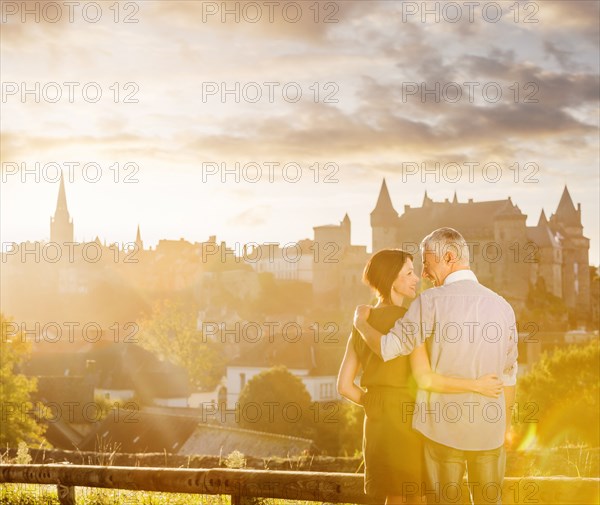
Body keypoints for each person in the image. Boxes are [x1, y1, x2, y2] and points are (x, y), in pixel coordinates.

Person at [353, 229, 518, 505]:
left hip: (443, 431)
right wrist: (505, 426)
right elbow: (509, 375)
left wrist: (360, 324)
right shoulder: (503, 307)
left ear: (449, 257)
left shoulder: (428, 302)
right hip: (490, 430)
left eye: (427, 263)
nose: (425, 273)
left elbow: (387, 348)